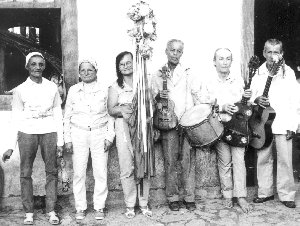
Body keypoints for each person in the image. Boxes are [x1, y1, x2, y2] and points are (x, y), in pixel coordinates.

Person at [2, 52, 63, 225]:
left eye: (40, 64)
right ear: (27, 67)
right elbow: (16, 119)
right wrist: (10, 146)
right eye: (33, 64)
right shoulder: (20, 90)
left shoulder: (52, 87)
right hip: (27, 131)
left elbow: (58, 114)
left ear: (44, 66)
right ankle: (28, 212)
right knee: (25, 173)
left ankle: (51, 210)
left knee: (52, 171)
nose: (37, 67)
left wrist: (60, 141)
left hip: (49, 130)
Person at [198, 48, 252, 213]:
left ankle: (241, 196)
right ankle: (228, 195)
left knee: (239, 161)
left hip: (237, 127)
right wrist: (221, 106)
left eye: (228, 59)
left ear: (231, 61)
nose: (224, 62)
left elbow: (245, 105)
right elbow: (202, 102)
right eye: (220, 59)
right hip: (218, 126)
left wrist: (246, 99)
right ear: (214, 61)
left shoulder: (238, 80)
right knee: (224, 161)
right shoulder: (208, 81)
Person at [151, 39, 199, 211]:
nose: (175, 54)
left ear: (182, 53)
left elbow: (196, 94)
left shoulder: (188, 73)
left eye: (179, 51)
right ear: (166, 51)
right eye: (172, 50)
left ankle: (189, 196)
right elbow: (152, 99)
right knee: (170, 161)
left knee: (187, 161)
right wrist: (158, 97)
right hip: (168, 122)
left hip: (187, 122)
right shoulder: (157, 74)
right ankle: (172, 197)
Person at [63, 59, 115, 220]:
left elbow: (110, 115)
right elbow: (67, 116)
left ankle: (99, 206)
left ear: (96, 71)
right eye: (83, 70)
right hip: (78, 134)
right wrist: (67, 139)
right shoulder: (73, 90)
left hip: (99, 134)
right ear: (79, 73)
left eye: (89, 70)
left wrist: (109, 136)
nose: (86, 73)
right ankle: (80, 207)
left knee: (100, 172)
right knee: (79, 173)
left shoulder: (105, 90)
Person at [251, 39, 299, 208]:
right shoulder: (258, 72)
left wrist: (293, 125)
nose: (272, 56)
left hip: (283, 122)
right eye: (269, 52)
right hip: (264, 123)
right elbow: (251, 97)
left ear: (282, 54)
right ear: (264, 53)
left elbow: (296, 101)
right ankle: (265, 192)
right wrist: (257, 99)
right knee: (263, 157)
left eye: (276, 52)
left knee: (285, 160)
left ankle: (286, 195)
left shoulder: (289, 73)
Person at [107, 51, 152, 218]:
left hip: (143, 128)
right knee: (127, 167)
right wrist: (124, 109)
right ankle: (130, 205)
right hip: (123, 128)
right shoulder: (115, 87)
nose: (125, 66)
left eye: (128, 63)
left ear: (135, 64)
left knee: (144, 166)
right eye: (122, 64)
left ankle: (144, 203)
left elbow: (150, 105)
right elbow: (111, 109)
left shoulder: (144, 84)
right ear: (118, 67)